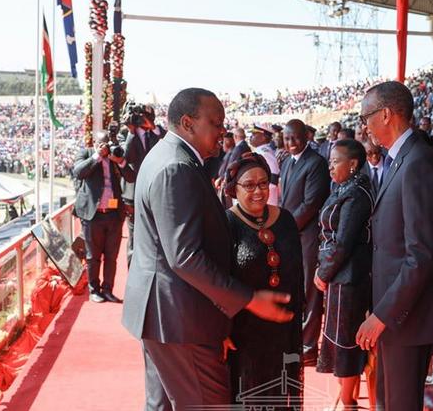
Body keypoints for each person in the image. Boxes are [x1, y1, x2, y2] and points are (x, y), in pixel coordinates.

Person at [121, 88, 293, 410]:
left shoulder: (170, 157)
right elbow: (185, 256)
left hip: (166, 316)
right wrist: (248, 299)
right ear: (188, 123)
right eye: (216, 123)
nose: (222, 132)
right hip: (181, 319)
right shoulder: (177, 167)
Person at [355, 81, 433, 410]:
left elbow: (421, 254)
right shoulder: (400, 158)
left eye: (366, 117)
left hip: (409, 316)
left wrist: (383, 314)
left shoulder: (417, 162)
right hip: (397, 309)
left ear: (385, 114)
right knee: (387, 400)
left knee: (400, 403)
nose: (365, 126)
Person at [222, 152, 303, 407]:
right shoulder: (227, 223)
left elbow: (298, 273)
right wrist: (221, 330)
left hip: (283, 329)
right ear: (234, 189)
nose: (258, 191)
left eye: (263, 183)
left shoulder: (286, 219)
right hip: (243, 333)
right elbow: (218, 281)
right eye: (249, 185)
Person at [313, 139, 374, 410]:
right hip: (339, 275)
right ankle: (344, 394)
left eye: (335, 161)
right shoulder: (343, 187)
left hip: (348, 278)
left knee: (345, 339)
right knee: (337, 337)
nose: (330, 167)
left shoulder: (357, 194)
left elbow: (343, 242)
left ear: (353, 164)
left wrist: (323, 273)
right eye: (329, 161)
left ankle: (348, 401)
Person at [279, 118, 331, 365]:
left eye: (295, 138)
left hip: (308, 236)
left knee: (311, 292)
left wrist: (284, 228)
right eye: (287, 138)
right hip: (292, 236)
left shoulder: (316, 163)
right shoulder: (287, 161)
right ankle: (297, 339)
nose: (290, 143)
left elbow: (310, 204)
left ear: (306, 137)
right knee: (296, 288)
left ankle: (309, 345)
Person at [73, 129, 136, 303]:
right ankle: (94, 289)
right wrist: (97, 157)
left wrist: (121, 161)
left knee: (111, 255)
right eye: (102, 143)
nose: (106, 147)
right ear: (95, 143)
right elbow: (78, 172)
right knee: (93, 255)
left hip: (113, 215)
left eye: (108, 143)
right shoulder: (85, 153)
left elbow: (131, 177)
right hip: (93, 215)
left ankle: (108, 289)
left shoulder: (115, 155)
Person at [120, 102, 156, 269]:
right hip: (132, 195)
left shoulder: (153, 134)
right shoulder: (124, 134)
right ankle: (133, 275)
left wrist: (152, 126)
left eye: (144, 117)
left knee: (152, 235)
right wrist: (131, 132)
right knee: (134, 237)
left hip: (152, 193)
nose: (140, 120)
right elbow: (127, 158)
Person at [248, 124, 281, 205]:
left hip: (266, 199)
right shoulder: (260, 151)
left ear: (263, 137)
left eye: (254, 134)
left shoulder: (264, 153)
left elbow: (273, 180)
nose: (251, 137)